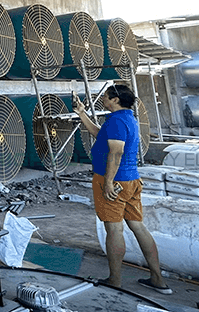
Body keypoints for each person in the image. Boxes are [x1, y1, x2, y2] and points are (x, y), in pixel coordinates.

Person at [73, 83, 171, 294]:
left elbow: (115, 154)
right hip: (131, 181)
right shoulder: (125, 119)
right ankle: (157, 279)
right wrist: (82, 113)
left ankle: (115, 280)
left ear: (115, 100)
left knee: (114, 230)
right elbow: (98, 134)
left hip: (115, 182)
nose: (103, 99)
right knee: (138, 227)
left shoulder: (117, 122)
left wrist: (108, 182)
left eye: (106, 96)